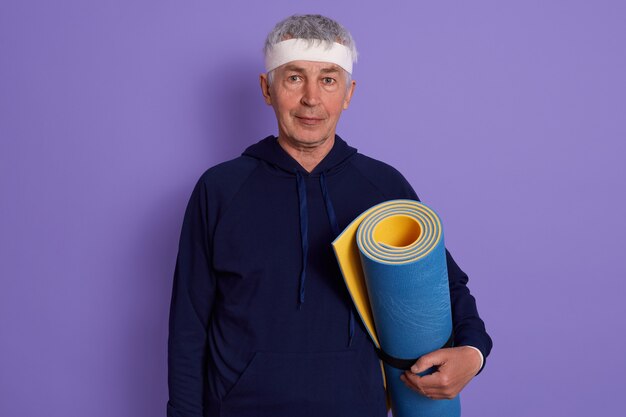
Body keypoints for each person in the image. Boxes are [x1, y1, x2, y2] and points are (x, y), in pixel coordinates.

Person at [167, 14, 492, 417]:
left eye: (328, 79)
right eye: (293, 77)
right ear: (267, 88)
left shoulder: (382, 186)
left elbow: (444, 284)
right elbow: (189, 324)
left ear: (349, 92)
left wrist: (474, 353)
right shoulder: (220, 189)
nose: (311, 99)